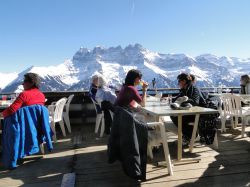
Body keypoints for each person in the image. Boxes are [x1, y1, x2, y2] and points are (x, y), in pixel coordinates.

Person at [171, 73, 204, 144]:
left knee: (178, 118)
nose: (178, 83)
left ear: (183, 81)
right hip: (190, 112)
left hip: (200, 113)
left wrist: (183, 100)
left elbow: (195, 102)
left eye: (179, 81)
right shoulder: (184, 90)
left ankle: (192, 135)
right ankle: (190, 135)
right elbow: (177, 100)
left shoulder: (194, 89)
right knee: (174, 116)